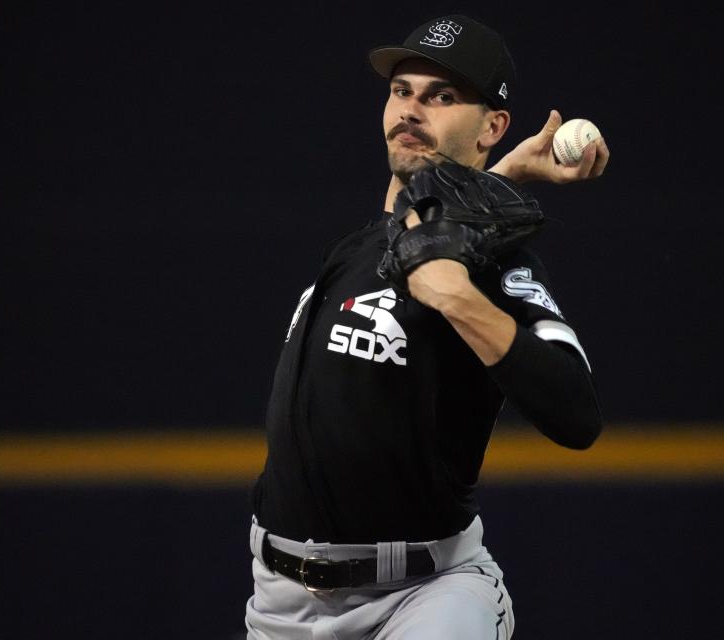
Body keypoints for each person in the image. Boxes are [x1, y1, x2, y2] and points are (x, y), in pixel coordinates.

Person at [245, 14, 609, 639]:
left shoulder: (496, 265)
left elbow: (577, 413)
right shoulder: (356, 249)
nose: (412, 110)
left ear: (494, 125)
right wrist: (501, 178)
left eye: (442, 96)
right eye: (401, 91)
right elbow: (418, 236)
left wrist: (461, 299)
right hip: (280, 604)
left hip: (425, 594)